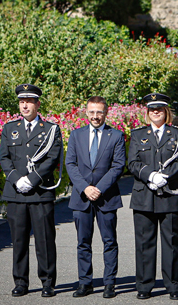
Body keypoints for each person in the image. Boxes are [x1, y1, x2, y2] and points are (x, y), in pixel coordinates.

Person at [0, 83, 63, 298]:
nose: (24, 106)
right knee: (18, 240)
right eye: (21, 101)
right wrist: (17, 179)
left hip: (40, 192)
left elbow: (52, 158)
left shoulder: (51, 129)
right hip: (16, 192)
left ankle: (47, 282)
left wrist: (32, 179)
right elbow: (4, 157)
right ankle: (20, 282)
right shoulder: (10, 128)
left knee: (44, 239)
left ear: (37, 104)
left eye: (29, 102)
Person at [128, 93, 178, 300]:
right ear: (147, 112)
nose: (156, 112)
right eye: (152, 108)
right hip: (144, 194)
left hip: (171, 194)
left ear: (166, 112)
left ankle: (174, 285)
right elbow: (133, 163)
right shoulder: (137, 135)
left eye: (160, 108)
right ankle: (144, 285)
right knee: (145, 243)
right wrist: (151, 175)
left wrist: (165, 177)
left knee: (172, 242)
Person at [65, 96, 127, 298]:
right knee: (83, 242)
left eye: (99, 112)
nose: (95, 116)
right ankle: (85, 283)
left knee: (109, 241)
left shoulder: (116, 136)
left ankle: (110, 283)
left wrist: (98, 188)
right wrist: (85, 188)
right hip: (81, 198)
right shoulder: (76, 135)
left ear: (106, 113)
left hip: (106, 197)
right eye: (92, 112)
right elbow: (70, 165)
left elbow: (118, 166)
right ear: (86, 112)